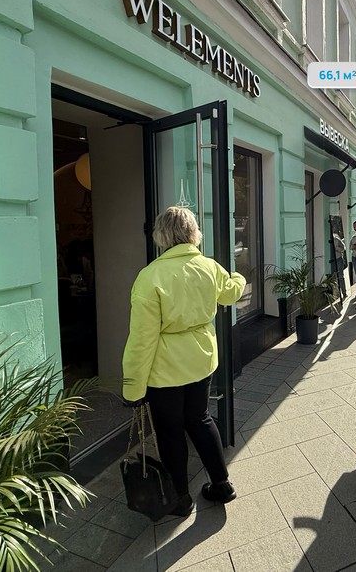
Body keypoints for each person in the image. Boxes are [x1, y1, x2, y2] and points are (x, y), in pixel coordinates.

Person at [122, 206, 246, 517]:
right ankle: (222, 484)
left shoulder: (150, 277)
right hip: (202, 360)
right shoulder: (208, 266)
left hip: (165, 371)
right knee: (200, 419)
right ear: (193, 233)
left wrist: (133, 388)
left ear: (160, 236)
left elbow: (141, 341)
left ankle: (181, 499)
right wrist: (239, 276)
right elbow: (230, 293)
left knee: (170, 432)